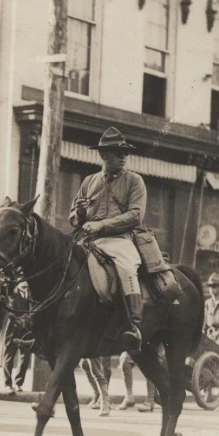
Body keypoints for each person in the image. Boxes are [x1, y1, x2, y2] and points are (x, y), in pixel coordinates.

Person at [69, 127, 147, 351]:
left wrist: (100, 224)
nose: (123, 157)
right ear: (103, 155)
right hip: (89, 240)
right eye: (117, 152)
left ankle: (134, 325)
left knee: (126, 267)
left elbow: (135, 215)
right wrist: (81, 213)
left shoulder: (134, 181)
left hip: (120, 240)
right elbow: (73, 219)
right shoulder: (89, 181)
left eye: (125, 153)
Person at [3, 278, 33, 394]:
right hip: (12, 330)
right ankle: (8, 384)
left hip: (26, 330)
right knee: (9, 357)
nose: (25, 283)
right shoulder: (11, 293)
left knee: (25, 357)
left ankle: (18, 383)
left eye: (26, 281)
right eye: (22, 281)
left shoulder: (30, 293)